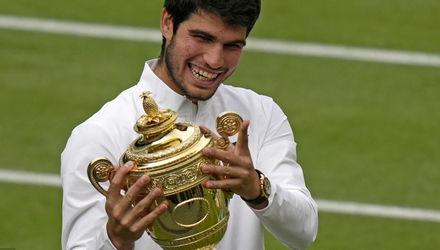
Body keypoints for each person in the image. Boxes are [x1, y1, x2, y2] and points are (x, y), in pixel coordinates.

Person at [61, 0, 318, 249]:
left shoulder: (260, 113)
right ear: (167, 23)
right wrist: (116, 240)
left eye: (232, 45)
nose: (215, 60)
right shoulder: (98, 134)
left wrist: (257, 190)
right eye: (202, 38)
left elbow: (303, 233)